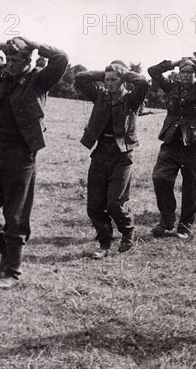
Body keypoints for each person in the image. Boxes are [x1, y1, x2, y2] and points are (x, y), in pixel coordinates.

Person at [0, 37, 68, 290]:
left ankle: (13, 271)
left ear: (28, 60)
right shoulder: (1, 72)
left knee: (16, 215)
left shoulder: (39, 79)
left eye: (16, 59)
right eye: (8, 58)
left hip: (22, 154)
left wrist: (34, 43)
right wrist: (0, 45)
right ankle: (6, 253)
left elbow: (61, 58)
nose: (10, 63)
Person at [74, 61, 150, 259]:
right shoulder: (100, 95)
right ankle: (104, 244)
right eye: (106, 80)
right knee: (94, 205)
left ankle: (128, 231)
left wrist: (124, 73)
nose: (108, 83)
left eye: (113, 80)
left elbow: (143, 83)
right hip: (100, 153)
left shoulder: (131, 99)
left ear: (123, 80)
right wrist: (104, 72)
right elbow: (80, 78)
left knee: (115, 203)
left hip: (122, 156)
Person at [149, 57, 196, 239]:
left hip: (194, 144)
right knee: (160, 177)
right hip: (171, 141)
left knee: (191, 187)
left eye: (189, 72)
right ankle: (167, 220)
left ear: (195, 74)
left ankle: (185, 227)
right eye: (182, 72)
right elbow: (153, 71)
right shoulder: (172, 86)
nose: (185, 75)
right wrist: (172, 63)